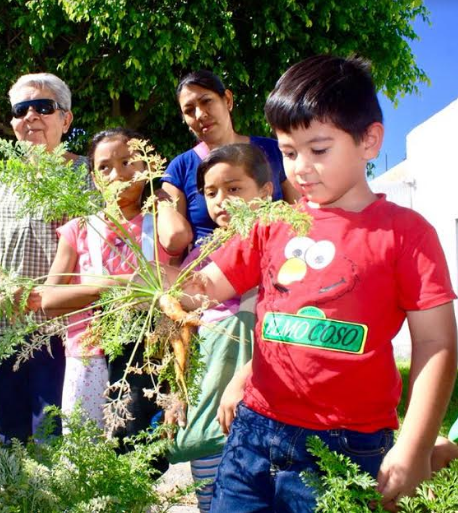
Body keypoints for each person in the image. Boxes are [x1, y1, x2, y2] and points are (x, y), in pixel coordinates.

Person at [164, 55, 456, 512]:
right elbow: (206, 285)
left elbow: (437, 343)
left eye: (318, 150)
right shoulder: (272, 223)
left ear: (370, 140)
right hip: (254, 432)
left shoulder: (406, 234)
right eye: (287, 152)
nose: (300, 168)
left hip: (348, 442)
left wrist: (414, 445)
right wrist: (157, 286)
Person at [0, 73, 83, 444]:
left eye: (44, 107)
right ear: (12, 122)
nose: (32, 116)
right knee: (8, 438)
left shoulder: (89, 175)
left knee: (54, 438)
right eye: (21, 109)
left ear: (65, 119)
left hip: (61, 333)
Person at [40, 128, 182, 430]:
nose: (116, 173)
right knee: (84, 448)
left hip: (147, 358)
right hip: (88, 357)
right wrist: (112, 286)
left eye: (128, 162)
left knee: (138, 449)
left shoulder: (159, 225)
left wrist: (162, 197)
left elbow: (180, 244)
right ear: (94, 179)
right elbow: (50, 301)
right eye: (104, 167)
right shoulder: (79, 229)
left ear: (147, 168)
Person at [165, 144, 272, 513]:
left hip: (258, 396)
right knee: (210, 496)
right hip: (208, 391)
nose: (221, 201)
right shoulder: (200, 252)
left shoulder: (278, 243)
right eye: (211, 193)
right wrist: (177, 392)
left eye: (234, 189)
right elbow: (183, 328)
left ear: (266, 191)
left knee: (256, 491)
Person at [161, 69, 301, 251]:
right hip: (207, 270)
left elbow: (300, 214)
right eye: (189, 110)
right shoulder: (179, 169)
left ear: (227, 100)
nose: (200, 115)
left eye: (206, 101)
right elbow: (172, 244)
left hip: (273, 262)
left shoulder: (274, 151)